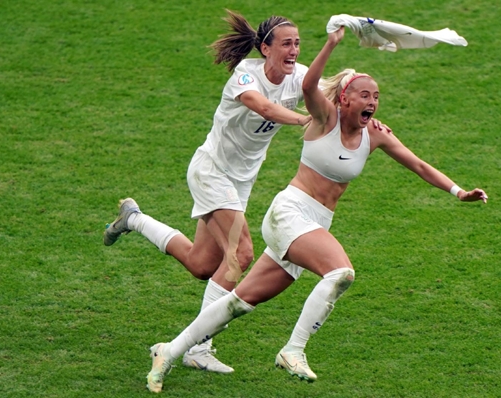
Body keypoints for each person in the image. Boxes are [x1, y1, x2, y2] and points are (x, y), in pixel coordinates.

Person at [144, 26, 487, 393]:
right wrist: (332, 42)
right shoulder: (324, 117)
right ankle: (293, 350)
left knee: (240, 301)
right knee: (340, 273)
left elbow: (418, 165)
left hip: (314, 220)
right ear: (343, 99)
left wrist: (457, 191)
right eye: (364, 95)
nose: (372, 101)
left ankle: (171, 349)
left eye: (376, 96)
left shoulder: (377, 134)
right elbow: (308, 88)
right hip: (288, 213)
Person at [104, 11, 388, 374]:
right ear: (265, 47)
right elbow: (264, 106)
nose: (294, 50)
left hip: (241, 181)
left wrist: (365, 112)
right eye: (286, 43)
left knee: (201, 264)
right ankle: (198, 347)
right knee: (240, 254)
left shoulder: (297, 76)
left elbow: (333, 93)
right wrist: (306, 119)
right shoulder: (245, 75)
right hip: (212, 172)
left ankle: (134, 219)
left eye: (298, 43)